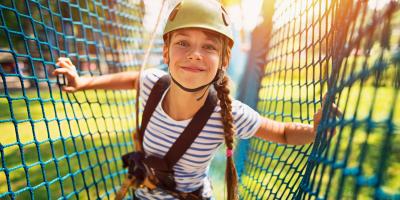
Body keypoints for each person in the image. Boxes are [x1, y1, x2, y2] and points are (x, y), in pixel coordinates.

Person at [53, 0, 339, 199]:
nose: (195, 54)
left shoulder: (227, 113)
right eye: (182, 43)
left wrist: (315, 132)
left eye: (208, 47)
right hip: (143, 193)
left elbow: (283, 132)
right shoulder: (152, 84)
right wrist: (83, 83)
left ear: (223, 59)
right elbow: (132, 79)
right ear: (166, 53)